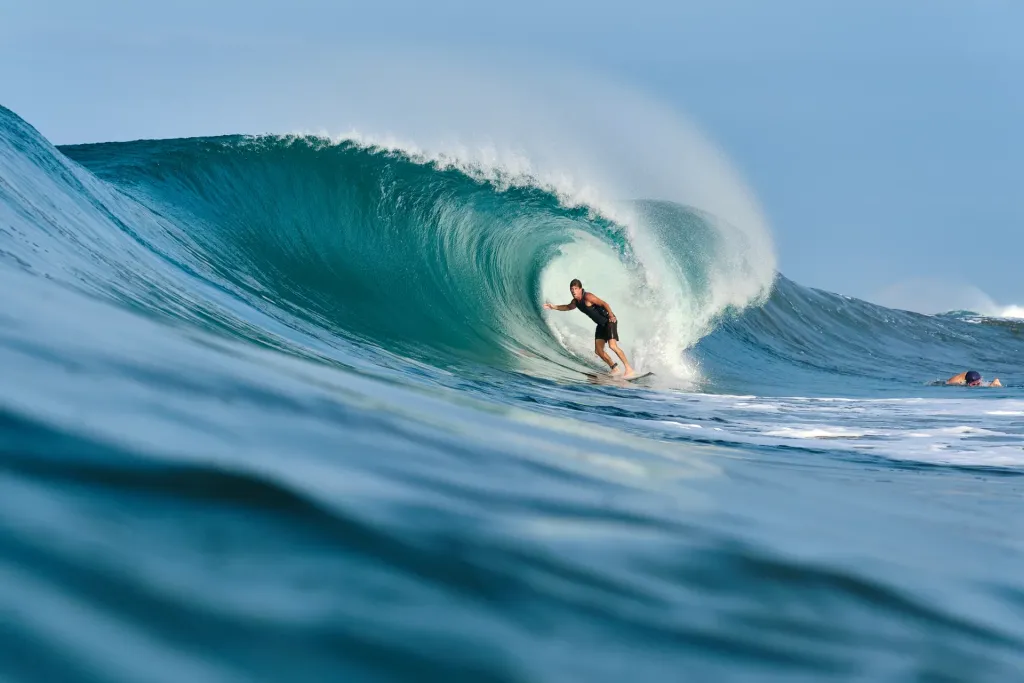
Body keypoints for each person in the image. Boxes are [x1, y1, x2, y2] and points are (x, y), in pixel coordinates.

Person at [544, 278, 636, 377]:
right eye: (572, 289)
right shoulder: (575, 302)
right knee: (598, 351)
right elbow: (567, 307)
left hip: (609, 321)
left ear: (580, 289)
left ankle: (629, 369)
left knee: (612, 346)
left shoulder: (588, 297)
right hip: (600, 325)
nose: (573, 291)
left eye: (575, 288)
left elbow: (604, 304)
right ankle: (615, 368)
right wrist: (554, 307)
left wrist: (611, 315)